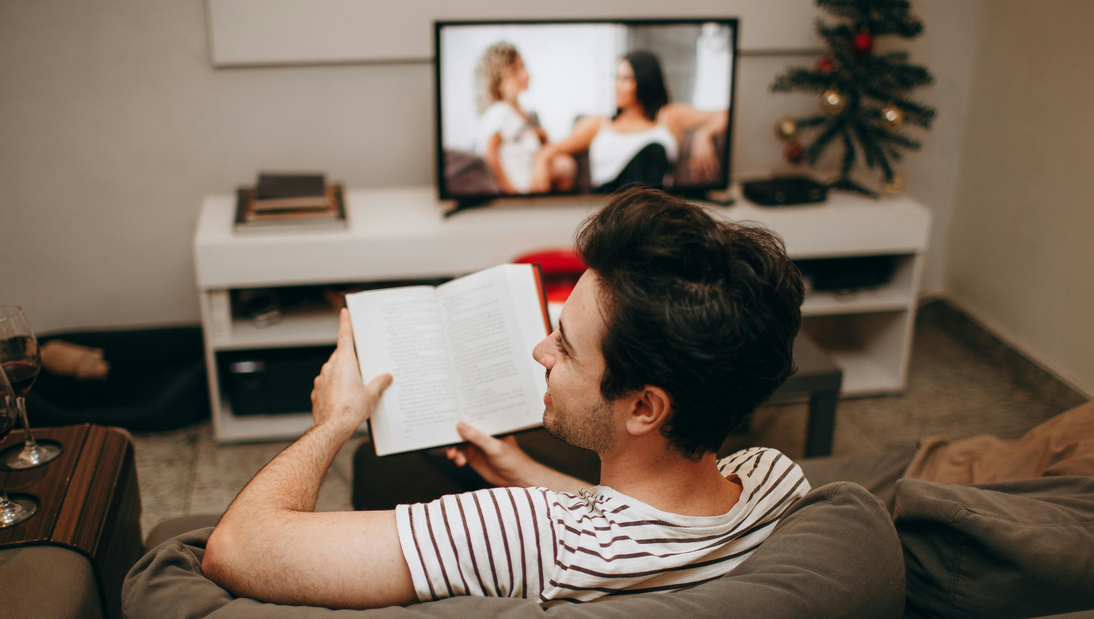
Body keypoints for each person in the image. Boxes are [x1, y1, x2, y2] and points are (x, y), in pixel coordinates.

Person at [201, 188, 809, 609]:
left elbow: (235, 550)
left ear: (644, 408)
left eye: (566, 348)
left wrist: (332, 423)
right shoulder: (778, 482)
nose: (541, 352)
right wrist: (526, 471)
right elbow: (644, 525)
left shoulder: (528, 533)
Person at [529, 51, 729, 193]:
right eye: (615, 78)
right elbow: (553, 149)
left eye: (626, 79)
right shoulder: (599, 124)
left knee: (654, 151)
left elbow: (726, 113)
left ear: (644, 81)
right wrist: (541, 161)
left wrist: (705, 134)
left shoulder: (669, 117)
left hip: (650, 211)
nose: (617, 85)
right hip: (610, 206)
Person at [474, 42, 576, 194]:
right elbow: (490, 152)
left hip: (533, 177)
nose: (525, 74)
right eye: (516, 70)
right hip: (521, 184)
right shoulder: (500, 111)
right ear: (499, 80)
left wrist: (540, 137)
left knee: (566, 164)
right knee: (566, 165)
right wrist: (509, 191)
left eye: (523, 67)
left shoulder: (524, 115)